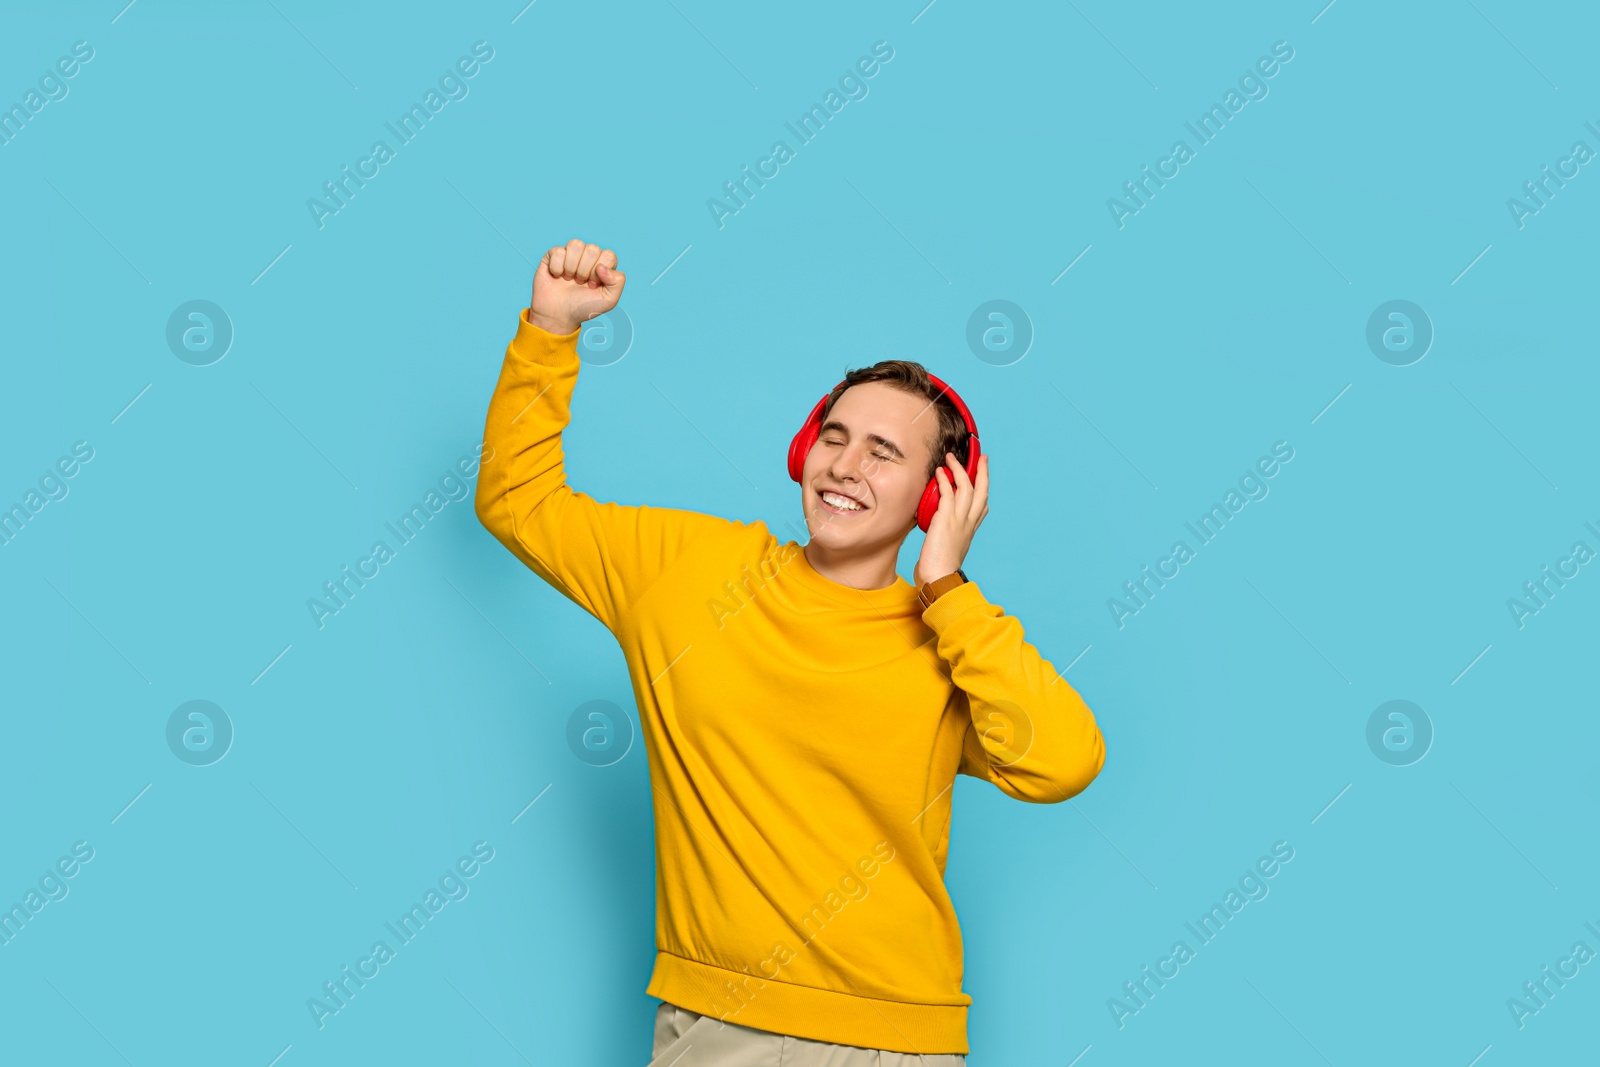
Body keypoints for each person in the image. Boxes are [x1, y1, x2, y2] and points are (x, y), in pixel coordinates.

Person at [474, 239, 1106, 1064]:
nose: (845, 466)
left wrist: (948, 588)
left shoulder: (949, 641)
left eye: (885, 453)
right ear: (803, 450)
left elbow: (1063, 761)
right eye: (835, 437)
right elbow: (517, 499)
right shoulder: (684, 569)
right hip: (711, 1029)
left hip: (894, 1042)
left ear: (938, 493)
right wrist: (551, 332)